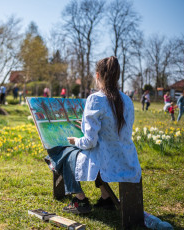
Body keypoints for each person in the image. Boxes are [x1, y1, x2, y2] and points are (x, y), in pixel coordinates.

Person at [55, 56, 141, 214]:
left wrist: (75, 140)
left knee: (65, 153)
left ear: (97, 75)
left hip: (104, 159)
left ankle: (80, 200)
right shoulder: (127, 100)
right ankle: (106, 197)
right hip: (126, 158)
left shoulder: (96, 99)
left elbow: (89, 142)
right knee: (80, 152)